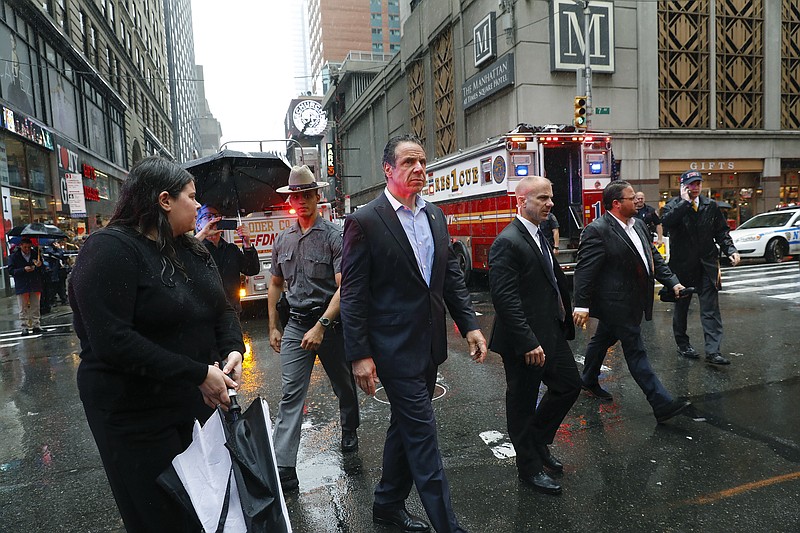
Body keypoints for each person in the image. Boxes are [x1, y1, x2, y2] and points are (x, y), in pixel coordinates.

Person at [68, 157, 244, 532]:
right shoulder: (109, 250)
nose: (198, 206)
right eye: (192, 197)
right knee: (160, 515)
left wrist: (233, 350)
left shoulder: (193, 250)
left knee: (204, 509)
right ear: (165, 200)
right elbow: (113, 341)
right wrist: (198, 373)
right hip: (133, 412)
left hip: (189, 402)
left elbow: (221, 309)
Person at [340, 135, 487, 533]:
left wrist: (470, 325)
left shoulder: (435, 216)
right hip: (392, 349)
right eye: (409, 162)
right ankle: (447, 525)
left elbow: (450, 279)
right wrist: (359, 354)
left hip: (429, 346)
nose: (419, 169)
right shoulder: (365, 221)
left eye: (423, 162)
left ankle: (387, 504)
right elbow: (353, 295)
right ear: (388, 170)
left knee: (403, 427)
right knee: (422, 435)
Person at [268, 165, 360, 492]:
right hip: (296, 325)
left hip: (330, 325)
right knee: (291, 394)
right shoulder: (284, 239)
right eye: (297, 196)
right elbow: (276, 284)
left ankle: (349, 428)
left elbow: (343, 287)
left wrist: (323, 325)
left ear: (317, 197)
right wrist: (274, 326)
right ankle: (284, 466)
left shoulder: (334, 236)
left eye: (307, 195)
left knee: (344, 386)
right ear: (291, 200)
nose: (302, 201)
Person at [488, 176, 581, 496]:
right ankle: (528, 467)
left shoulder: (538, 234)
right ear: (521, 201)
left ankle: (537, 441)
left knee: (569, 385)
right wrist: (527, 341)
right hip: (523, 340)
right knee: (522, 403)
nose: (550, 203)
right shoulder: (508, 241)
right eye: (542, 198)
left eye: (551, 197)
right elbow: (505, 298)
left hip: (550, 331)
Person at [573, 180, 691, 424]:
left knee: (602, 339)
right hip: (615, 304)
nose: (638, 201)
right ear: (616, 204)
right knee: (636, 351)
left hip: (634, 300)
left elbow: (653, 258)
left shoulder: (637, 225)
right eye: (631, 198)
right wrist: (581, 305)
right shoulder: (598, 230)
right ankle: (661, 403)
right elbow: (585, 271)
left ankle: (588, 380)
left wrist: (674, 283)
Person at [660, 170, 741, 365]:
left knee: (711, 309)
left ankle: (713, 351)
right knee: (682, 308)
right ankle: (683, 345)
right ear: (683, 186)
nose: (695, 188)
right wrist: (685, 203)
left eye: (698, 184)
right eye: (691, 184)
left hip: (707, 265)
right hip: (683, 267)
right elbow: (668, 223)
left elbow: (721, 231)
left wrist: (730, 249)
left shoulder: (710, 206)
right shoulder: (673, 205)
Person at [194, 203, 260, 313]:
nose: (214, 219)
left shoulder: (231, 249)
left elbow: (252, 269)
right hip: (205, 314)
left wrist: (247, 242)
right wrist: (204, 234)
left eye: (217, 216)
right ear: (199, 224)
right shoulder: (196, 250)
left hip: (232, 312)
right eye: (208, 216)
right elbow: (180, 256)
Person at [9, 237, 44, 335]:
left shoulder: (35, 254)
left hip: (34, 283)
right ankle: (24, 326)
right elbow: (11, 270)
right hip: (22, 284)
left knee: (35, 306)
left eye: (29, 247)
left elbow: (42, 270)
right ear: (20, 246)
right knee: (23, 307)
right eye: (25, 247)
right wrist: (23, 269)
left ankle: (36, 325)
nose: (27, 249)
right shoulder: (14, 256)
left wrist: (39, 265)